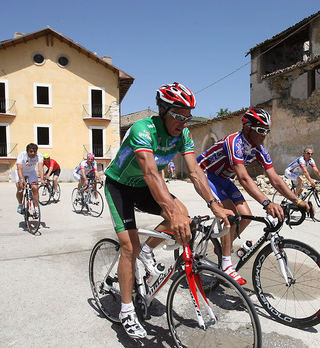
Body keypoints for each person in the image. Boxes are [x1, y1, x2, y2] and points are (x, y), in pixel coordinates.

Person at [104, 82, 234, 339]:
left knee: (184, 216)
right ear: (162, 110)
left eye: (188, 117)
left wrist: (214, 204)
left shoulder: (183, 135)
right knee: (129, 247)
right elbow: (151, 173)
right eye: (178, 115)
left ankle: (148, 249)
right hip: (120, 186)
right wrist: (170, 213)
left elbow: (195, 172)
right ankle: (127, 310)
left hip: (144, 187)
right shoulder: (142, 129)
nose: (183, 122)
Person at [197, 107, 311, 285]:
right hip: (205, 175)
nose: (264, 134)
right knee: (230, 216)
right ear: (248, 128)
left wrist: (297, 200)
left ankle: (221, 249)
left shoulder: (259, 149)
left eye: (267, 130)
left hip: (223, 179)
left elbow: (275, 179)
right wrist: (267, 203)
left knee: (246, 215)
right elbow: (243, 177)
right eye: (260, 130)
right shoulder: (234, 141)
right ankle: (226, 266)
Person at [15, 143, 45, 215]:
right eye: (31, 151)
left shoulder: (39, 156)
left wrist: (42, 179)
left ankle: (36, 208)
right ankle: (20, 205)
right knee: (20, 187)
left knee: (35, 188)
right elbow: (19, 168)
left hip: (31, 172)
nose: (33, 153)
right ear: (27, 151)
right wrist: (22, 180)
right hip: (21, 172)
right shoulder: (21, 155)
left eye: (34, 151)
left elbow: (40, 168)